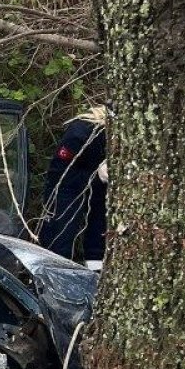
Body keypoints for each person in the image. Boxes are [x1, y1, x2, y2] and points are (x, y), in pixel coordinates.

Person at [39, 106, 108, 270]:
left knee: (100, 234)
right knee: (59, 235)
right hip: (67, 187)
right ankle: (54, 274)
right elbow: (59, 174)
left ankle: (97, 276)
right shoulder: (81, 131)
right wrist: (94, 175)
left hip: (102, 188)